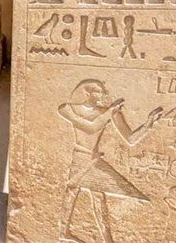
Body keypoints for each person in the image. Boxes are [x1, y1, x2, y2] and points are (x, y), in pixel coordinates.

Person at [58, 79, 163, 242]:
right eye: (98, 92)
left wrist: (148, 124)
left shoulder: (108, 112)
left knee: (98, 197)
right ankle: (63, 232)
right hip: (81, 156)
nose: (103, 95)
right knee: (72, 190)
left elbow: (131, 139)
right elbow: (89, 127)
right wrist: (109, 113)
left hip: (94, 159)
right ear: (87, 93)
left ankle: (106, 239)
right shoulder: (68, 108)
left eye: (102, 92)